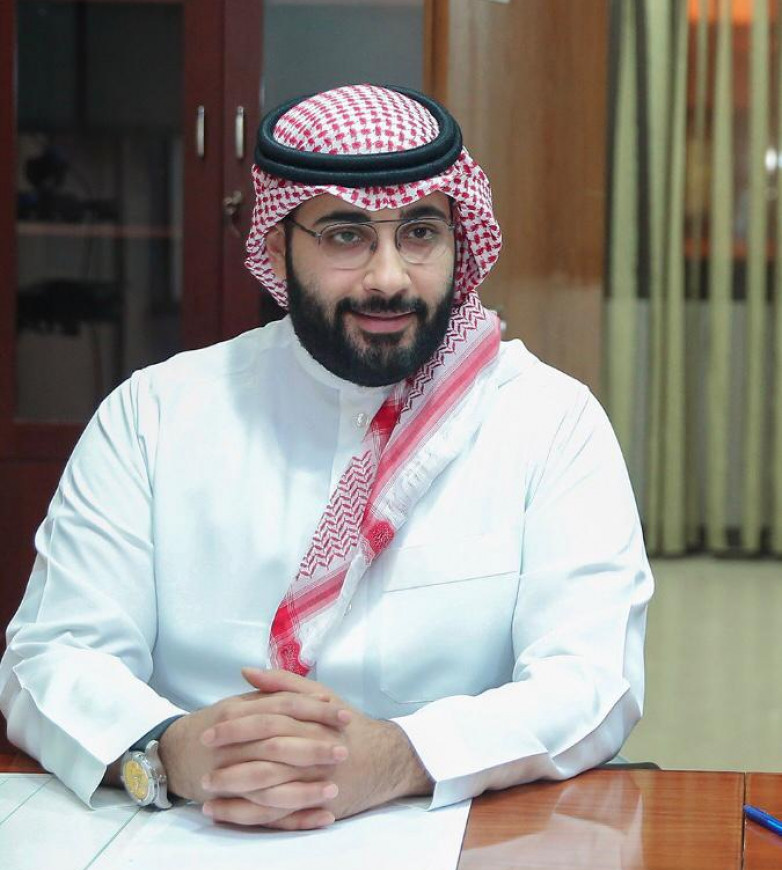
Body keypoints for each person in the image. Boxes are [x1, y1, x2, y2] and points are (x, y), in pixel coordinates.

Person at [0, 84, 652, 829]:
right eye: (346, 235)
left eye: (420, 233)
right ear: (279, 247)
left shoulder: (549, 421)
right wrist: (172, 751)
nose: (389, 277)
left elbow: (591, 678)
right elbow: (51, 656)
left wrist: (399, 758)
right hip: (191, 833)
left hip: (461, 841)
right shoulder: (153, 416)